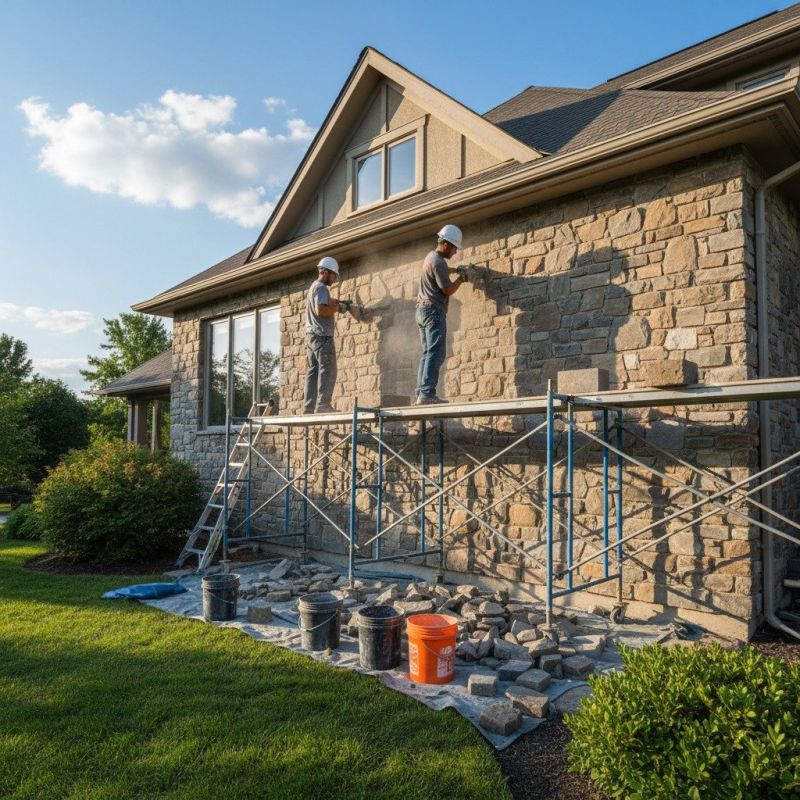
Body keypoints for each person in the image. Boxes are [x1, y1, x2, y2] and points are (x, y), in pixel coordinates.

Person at [415, 224, 470, 405]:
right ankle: (427, 394)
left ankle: (421, 392)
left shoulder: (430, 258)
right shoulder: (439, 262)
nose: (455, 252)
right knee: (436, 352)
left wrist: (454, 270)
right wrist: (461, 279)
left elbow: (440, 271)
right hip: (433, 312)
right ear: (446, 244)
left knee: (427, 352)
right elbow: (447, 289)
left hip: (422, 311)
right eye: (454, 248)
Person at [304, 256, 351, 414]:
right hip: (322, 337)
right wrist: (338, 309)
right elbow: (321, 310)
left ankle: (308, 407)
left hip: (311, 337)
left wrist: (336, 302)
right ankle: (323, 404)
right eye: (334, 275)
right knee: (329, 369)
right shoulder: (322, 288)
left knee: (313, 371)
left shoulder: (313, 287)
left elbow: (324, 303)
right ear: (326, 272)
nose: (335, 278)